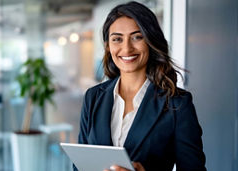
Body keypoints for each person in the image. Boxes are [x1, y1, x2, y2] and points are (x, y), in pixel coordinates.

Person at [77, 1, 206, 171]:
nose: (127, 48)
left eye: (137, 37)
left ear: (151, 41)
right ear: (108, 46)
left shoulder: (177, 104)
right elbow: (79, 166)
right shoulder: (93, 97)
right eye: (117, 39)